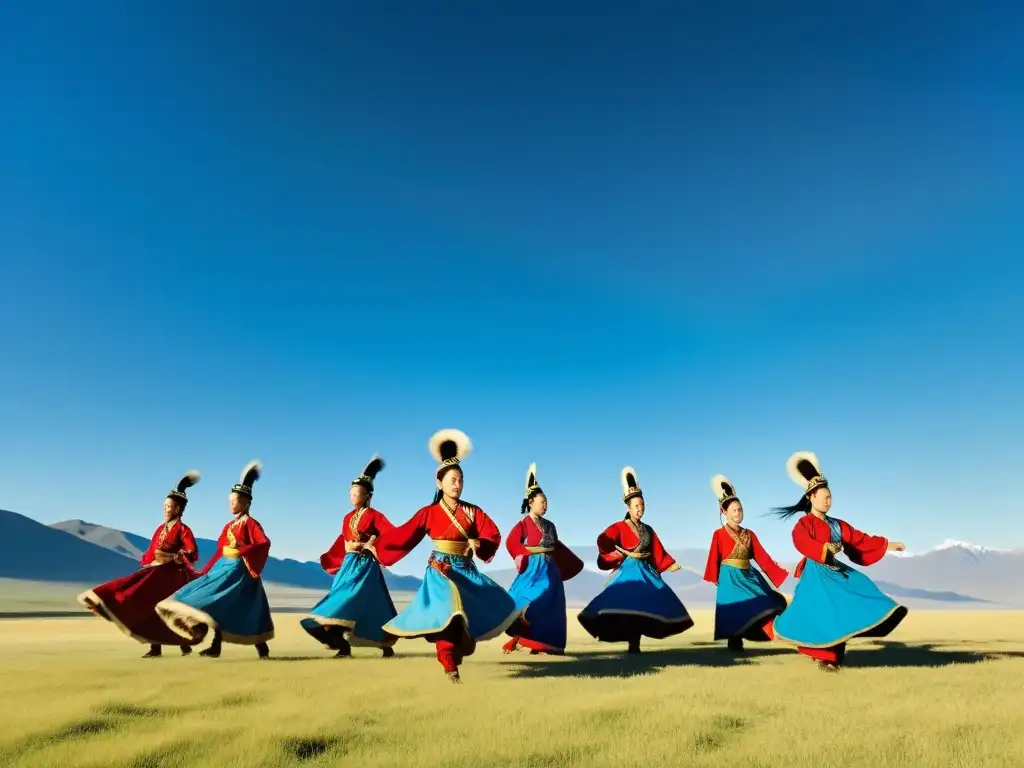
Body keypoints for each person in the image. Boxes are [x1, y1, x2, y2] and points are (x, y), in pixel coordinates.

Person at [373, 429, 526, 683]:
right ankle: (450, 669)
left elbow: (493, 534)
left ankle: (522, 629)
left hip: (466, 570)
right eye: (453, 479)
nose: (457, 484)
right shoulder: (429, 513)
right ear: (439, 482)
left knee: (500, 601)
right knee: (447, 618)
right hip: (440, 571)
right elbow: (403, 535)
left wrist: (479, 544)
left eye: (460, 480)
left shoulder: (473, 511)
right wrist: (377, 545)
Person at [771, 451, 908, 671]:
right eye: (823, 496)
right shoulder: (804, 524)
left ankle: (883, 614)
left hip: (835, 571)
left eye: (830, 496)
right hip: (817, 573)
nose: (827, 500)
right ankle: (827, 659)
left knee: (859, 585)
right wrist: (823, 549)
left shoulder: (837, 524)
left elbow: (860, 539)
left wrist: (888, 544)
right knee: (825, 613)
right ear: (811, 498)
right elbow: (801, 541)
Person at [156, 460, 274, 659]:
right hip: (224, 568)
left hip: (240, 571)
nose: (231, 504)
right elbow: (220, 550)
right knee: (224, 605)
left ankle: (257, 647)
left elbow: (263, 543)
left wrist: (242, 550)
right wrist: (206, 571)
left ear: (245, 503)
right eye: (229, 501)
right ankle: (216, 645)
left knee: (237, 607)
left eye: (234, 501)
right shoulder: (229, 525)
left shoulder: (251, 524)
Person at [77, 471, 202, 658]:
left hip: (172, 575)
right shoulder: (160, 529)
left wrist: (177, 556)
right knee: (149, 608)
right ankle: (157, 646)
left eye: (170, 507)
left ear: (178, 509)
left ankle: (179, 644)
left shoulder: (183, 530)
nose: (166, 509)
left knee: (159, 608)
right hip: (155, 572)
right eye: (165, 506)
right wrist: (147, 562)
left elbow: (192, 552)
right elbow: (151, 551)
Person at [577, 466, 693, 654]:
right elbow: (603, 539)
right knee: (628, 604)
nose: (640, 509)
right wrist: (608, 544)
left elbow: (657, 549)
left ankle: (635, 644)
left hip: (646, 570)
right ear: (628, 508)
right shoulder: (619, 527)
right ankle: (632, 643)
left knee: (655, 599)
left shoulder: (648, 529)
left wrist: (669, 563)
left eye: (642, 505)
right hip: (629, 570)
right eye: (636, 506)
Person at [300, 454, 398, 658]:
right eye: (351, 493)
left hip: (365, 568)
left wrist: (372, 545)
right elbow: (344, 541)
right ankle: (341, 644)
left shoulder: (375, 516)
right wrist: (343, 550)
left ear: (367, 495)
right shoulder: (347, 518)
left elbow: (391, 534)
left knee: (358, 602)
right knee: (339, 601)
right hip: (348, 566)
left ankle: (382, 644)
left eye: (357, 493)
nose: (352, 497)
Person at [502, 463, 584, 656]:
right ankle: (526, 637)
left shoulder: (550, 525)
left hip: (550, 569)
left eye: (546, 502)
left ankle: (547, 644)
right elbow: (511, 542)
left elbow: (557, 547)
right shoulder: (523, 523)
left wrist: (571, 563)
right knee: (531, 600)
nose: (545, 505)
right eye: (542, 501)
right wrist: (521, 556)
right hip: (532, 568)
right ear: (531, 502)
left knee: (552, 607)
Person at [702, 474, 788, 653]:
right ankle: (735, 643)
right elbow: (713, 556)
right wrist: (716, 577)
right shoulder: (718, 534)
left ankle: (774, 633)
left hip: (748, 574)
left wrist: (777, 571)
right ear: (723, 512)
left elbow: (762, 557)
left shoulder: (750, 534)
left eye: (740, 510)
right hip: (729, 577)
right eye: (733, 510)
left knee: (763, 601)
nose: (737, 513)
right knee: (735, 609)